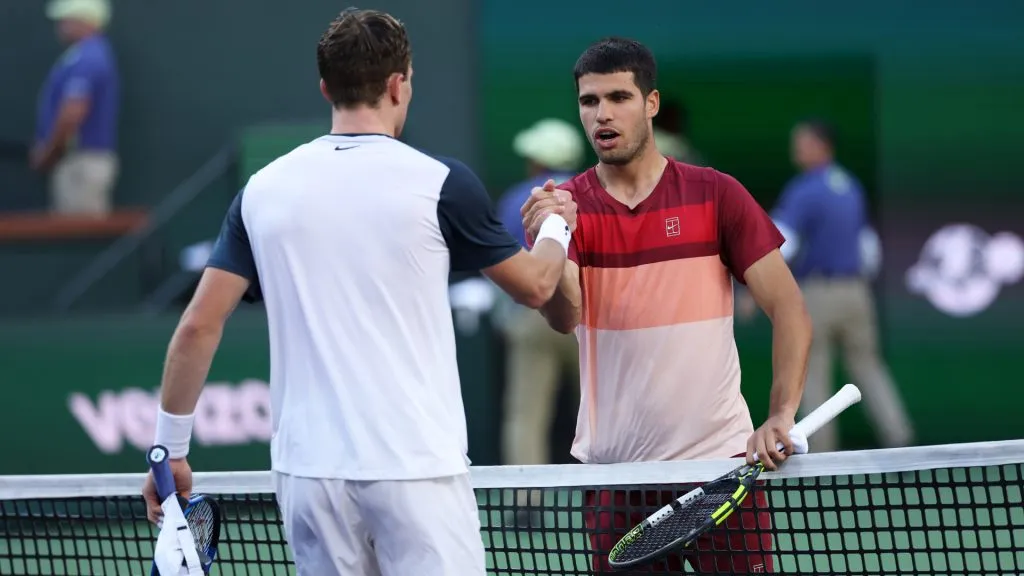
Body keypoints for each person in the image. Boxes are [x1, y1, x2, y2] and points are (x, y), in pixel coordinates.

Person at [140, 9, 576, 576]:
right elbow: (540, 285)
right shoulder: (441, 182)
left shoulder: (261, 191)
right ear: (399, 84)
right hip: (416, 470)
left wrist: (169, 451)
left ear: (327, 87)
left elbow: (198, 326)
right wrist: (556, 223)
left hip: (309, 476)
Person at [520, 37, 813, 574]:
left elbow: (790, 308)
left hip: (722, 468)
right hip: (615, 478)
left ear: (650, 104)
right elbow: (563, 317)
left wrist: (780, 413)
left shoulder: (716, 194)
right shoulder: (569, 206)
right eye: (589, 102)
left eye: (618, 97)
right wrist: (554, 237)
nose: (602, 114)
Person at [762, 119, 913, 452]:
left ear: (820, 145)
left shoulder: (804, 189)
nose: (796, 149)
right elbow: (868, 248)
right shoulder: (850, 186)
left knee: (811, 369)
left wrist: (755, 282)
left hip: (819, 292)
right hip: (856, 291)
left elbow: (781, 244)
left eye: (802, 142)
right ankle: (899, 437)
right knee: (869, 366)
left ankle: (819, 452)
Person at [495, 118, 584, 471]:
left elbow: (502, 262)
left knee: (526, 415)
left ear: (538, 159)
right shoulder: (590, 193)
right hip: (587, 313)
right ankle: (612, 489)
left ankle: (525, 502)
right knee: (600, 413)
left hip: (531, 314)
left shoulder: (517, 197)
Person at [33, 0, 120, 216]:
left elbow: (73, 111)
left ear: (85, 20)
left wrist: (50, 152)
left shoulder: (89, 58)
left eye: (67, 19)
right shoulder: (81, 55)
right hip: (76, 162)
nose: (61, 25)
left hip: (81, 164)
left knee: (82, 237)